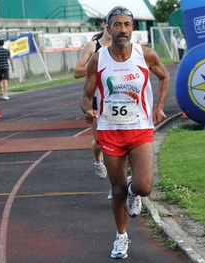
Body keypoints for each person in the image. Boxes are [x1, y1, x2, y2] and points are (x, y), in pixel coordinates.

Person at [81, 6, 170, 259]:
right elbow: (85, 96)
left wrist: (160, 106)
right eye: (117, 25)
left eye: (127, 25)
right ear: (108, 29)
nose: (122, 29)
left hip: (140, 128)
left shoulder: (146, 55)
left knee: (143, 187)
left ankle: (134, 191)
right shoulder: (98, 60)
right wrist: (88, 110)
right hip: (110, 131)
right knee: (116, 188)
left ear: (133, 28)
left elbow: (164, 77)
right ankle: (121, 237)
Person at [74, 18, 111, 198]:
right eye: (113, 24)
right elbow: (77, 71)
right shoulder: (92, 46)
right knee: (100, 143)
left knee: (120, 146)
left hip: (117, 102)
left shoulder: (123, 47)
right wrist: (97, 66)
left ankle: (117, 186)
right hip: (97, 102)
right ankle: (97, 160)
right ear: (105, 25)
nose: (117, 28)